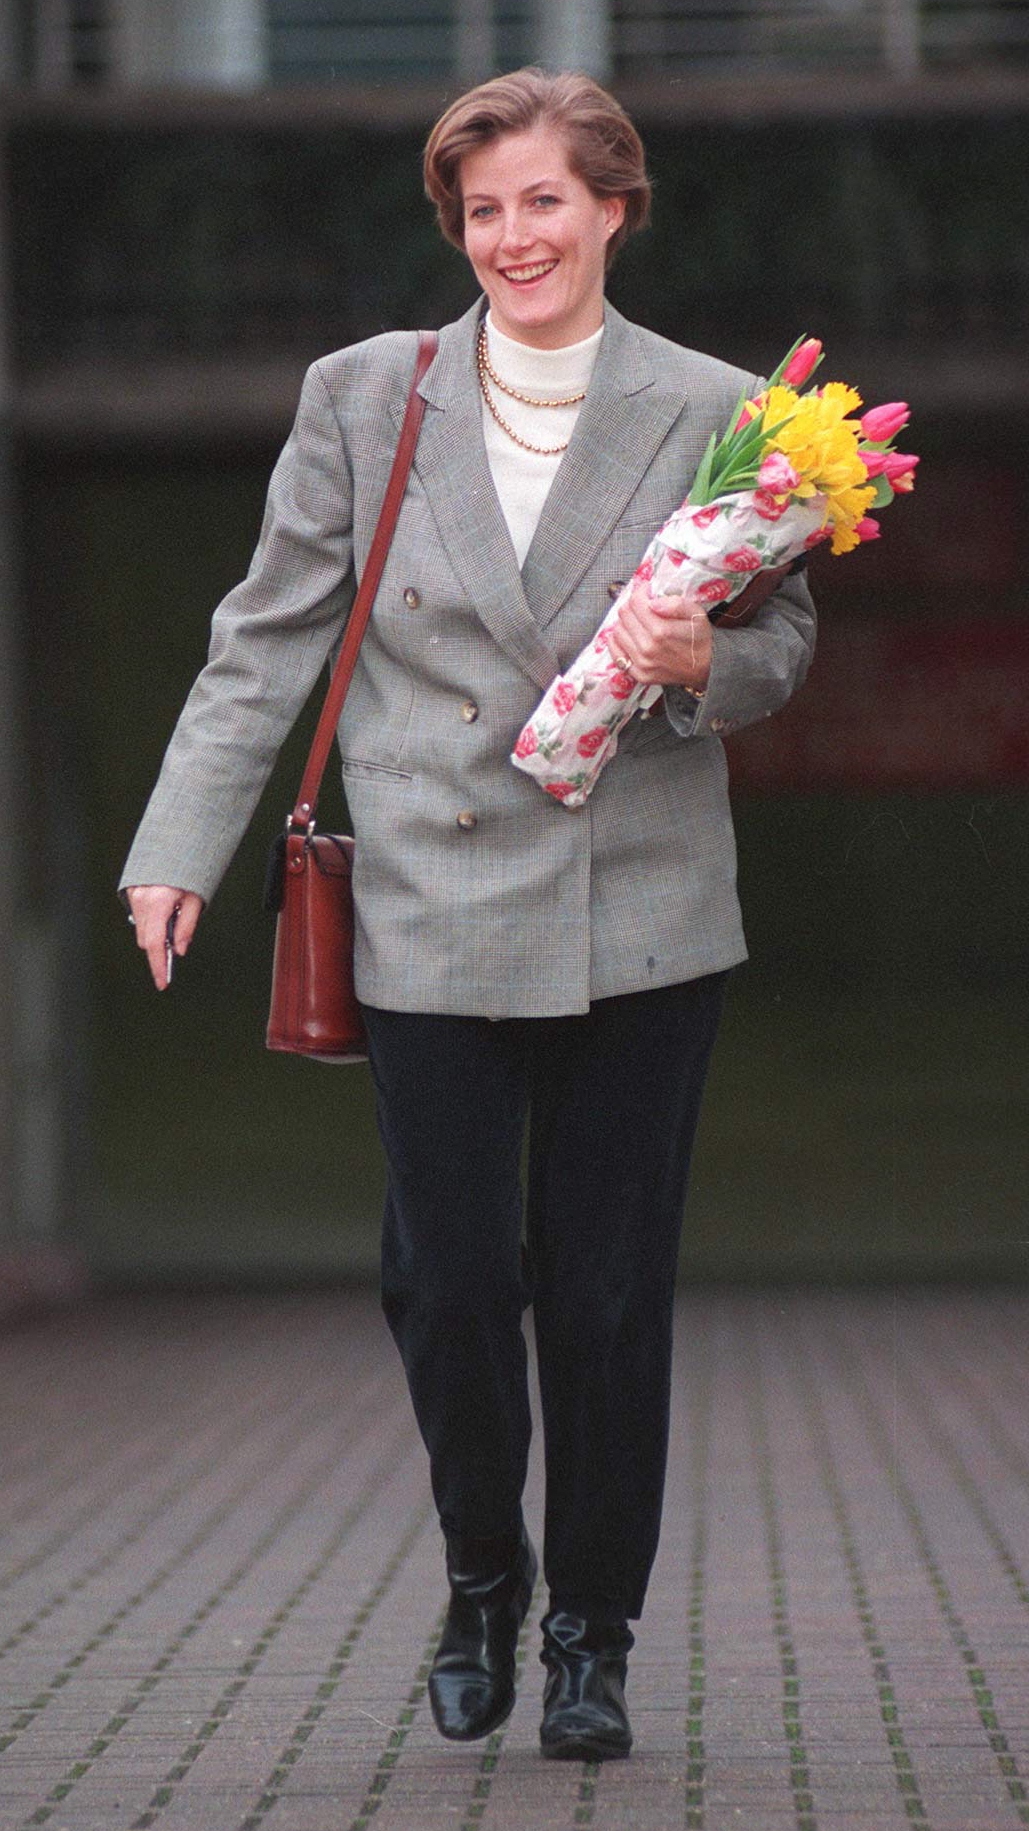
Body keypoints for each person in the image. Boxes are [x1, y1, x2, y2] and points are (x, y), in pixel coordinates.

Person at [121, 67, 815, 1762]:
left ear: (612, 208)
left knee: (603, 1290)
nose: (514, 237)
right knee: (446, 1283)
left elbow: (784, 639)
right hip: (424, 901)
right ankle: (482, 1574)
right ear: (459, 229)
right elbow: (266, 637)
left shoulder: (724, 410)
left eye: (544, 203)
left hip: (638, 909)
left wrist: (704, 663)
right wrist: (178, 846)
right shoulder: (371, 395)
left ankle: (591, 1628)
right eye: (482, 210)